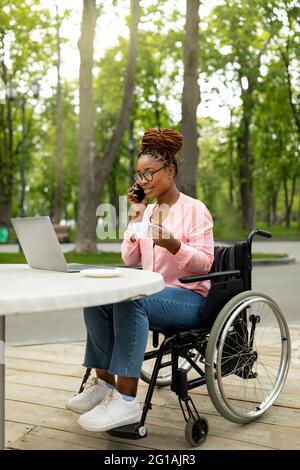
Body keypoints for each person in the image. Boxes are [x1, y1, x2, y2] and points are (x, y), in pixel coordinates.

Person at [66, 128, 214, 432]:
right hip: (153, 293)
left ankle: (126, 400)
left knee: (131, 300)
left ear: (170, 171)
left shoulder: (195, 210)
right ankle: (104, 384)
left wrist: (174, 244)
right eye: (140, 174)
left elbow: (205, 263)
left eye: (150, 173)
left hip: (189, 298)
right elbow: (130, 259)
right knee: (99, 295)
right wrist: (136, 214)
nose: (143, 181)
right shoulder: (147, 214)